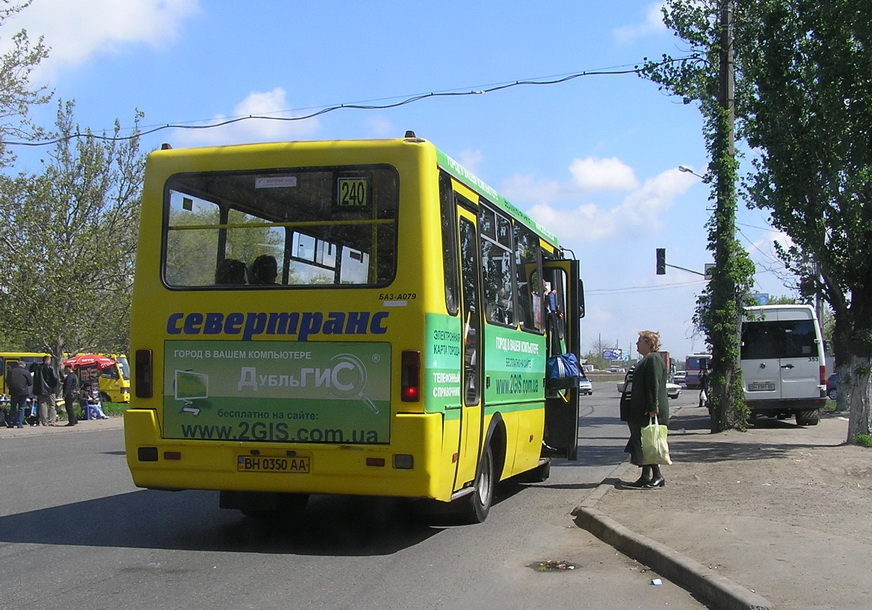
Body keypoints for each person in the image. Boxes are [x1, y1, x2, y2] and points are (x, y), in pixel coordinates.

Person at [622, 330, 670, 488]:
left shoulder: (653, 360)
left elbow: (652, 385)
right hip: (639, 410)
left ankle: (658, 476)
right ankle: (645, 475)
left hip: (647, 411)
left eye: (639, 341)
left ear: (649, 344)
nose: (637, 344)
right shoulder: (646, 360)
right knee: (641, 442)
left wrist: (652, 407)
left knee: (649, 442)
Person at [32, 355, 59, 426]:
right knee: (52, 405)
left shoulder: (37, 368)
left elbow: (35, 380)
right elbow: (55, 378)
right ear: (47, 360)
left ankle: (44, 421)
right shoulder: (50, 368)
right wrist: (54, 386)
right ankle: (51, 421)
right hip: (50, 389)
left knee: (42, 404)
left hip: (40, 389)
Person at [7, 361, 32, 429]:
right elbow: (30, 382)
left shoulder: (11, 371)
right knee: (21, 408)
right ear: (23, 366)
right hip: (23, 392)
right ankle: (19, 423)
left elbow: (7, 381)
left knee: (13, 408)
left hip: (13, 392)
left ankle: (11, 423)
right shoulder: (26, 372)